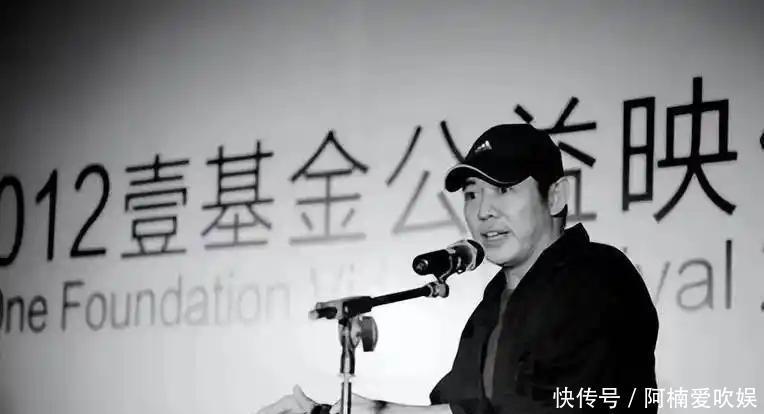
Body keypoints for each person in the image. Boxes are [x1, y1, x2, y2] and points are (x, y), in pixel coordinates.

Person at [256, 124, 658, 414]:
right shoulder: (493, 302)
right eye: (471, 194)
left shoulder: (600, 277)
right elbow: (458, 407)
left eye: (504, 189)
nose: (483, 211)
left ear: (555, 196)